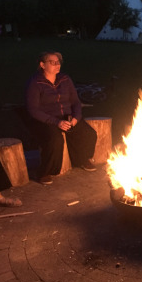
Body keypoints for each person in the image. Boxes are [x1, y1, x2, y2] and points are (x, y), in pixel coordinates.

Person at [25, 51, 97, 185]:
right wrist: (56, 122)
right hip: (47, 119)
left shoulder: (65, 79)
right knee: (55, 141)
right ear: (42, 65)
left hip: (67, 116)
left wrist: (76, 117)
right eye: (52, 62)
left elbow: (75, 101)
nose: (57, 65)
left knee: (88, 134)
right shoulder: (35, 83)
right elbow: (33, 110)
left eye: (58, 62)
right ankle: (45, 171)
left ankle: (82, 159)